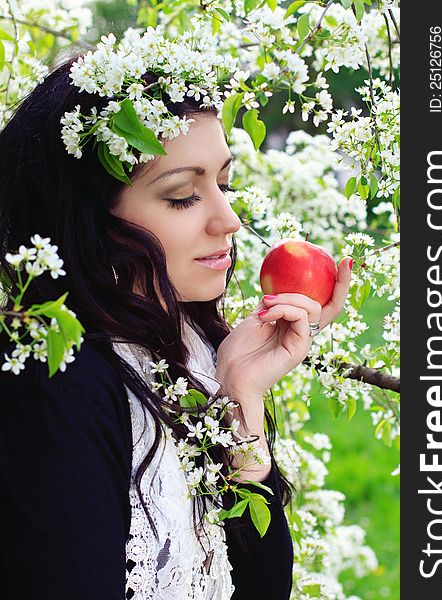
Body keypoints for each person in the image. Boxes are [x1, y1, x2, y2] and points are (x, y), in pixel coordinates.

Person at [0, 29, 352, 600]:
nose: (229, 219)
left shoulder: (188, 349)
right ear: (92, 216)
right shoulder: (59, 385)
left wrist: (241, 399)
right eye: (183, 196)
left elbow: (260, 589)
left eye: (225, 182)